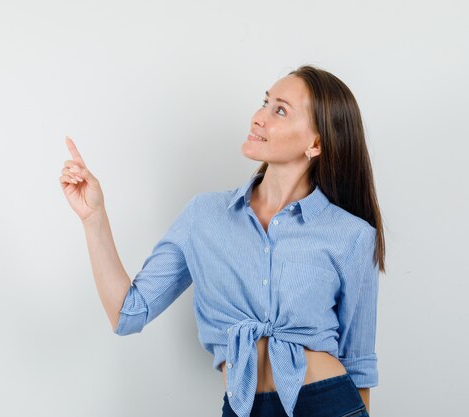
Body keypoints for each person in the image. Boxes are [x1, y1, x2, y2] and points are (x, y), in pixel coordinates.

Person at [59, 64, 385, 417]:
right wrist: (94, 219)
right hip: (243, 407)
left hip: (326, 403)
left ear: (316, 143)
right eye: (265, 102)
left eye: (280, 109)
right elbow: (128, 314)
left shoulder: (351, 236)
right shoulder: (204, 216)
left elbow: (358, 362)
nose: (259, 117)